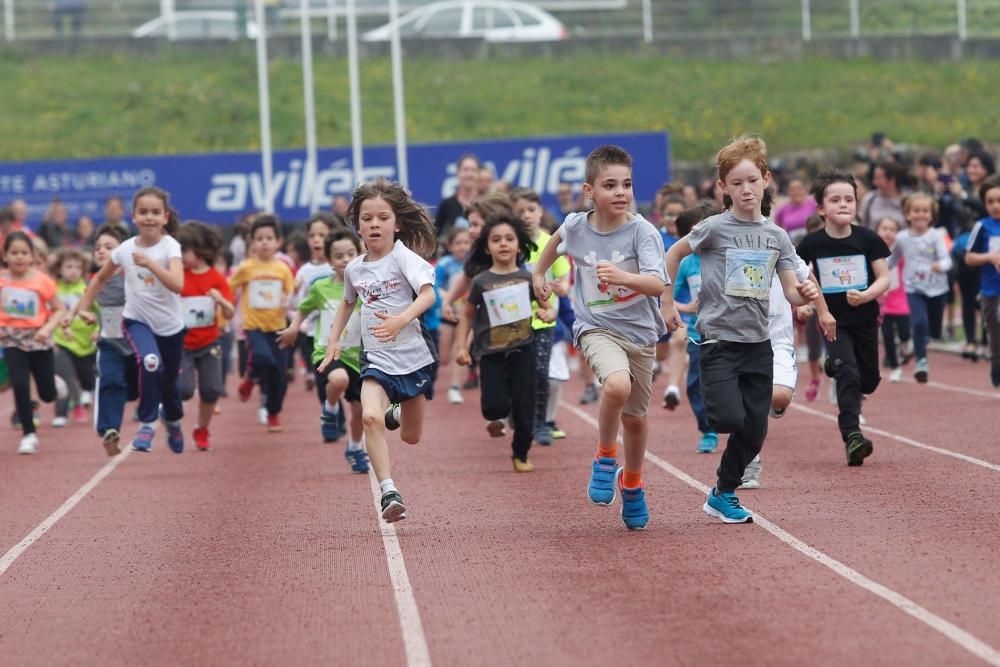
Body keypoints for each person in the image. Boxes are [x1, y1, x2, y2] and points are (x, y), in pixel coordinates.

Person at [663, 135, 817, 523]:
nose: (745, 189)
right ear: (723, 188)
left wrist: (807, 294)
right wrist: (665, 300)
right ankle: (718, 449)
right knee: (729, 420)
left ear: (765, 179)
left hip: (757, 344)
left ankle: (722, 493)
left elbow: (790, 293)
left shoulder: (776, 236)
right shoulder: (713, 228)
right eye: (736, 183)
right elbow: (674, 253)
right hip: (717, 341)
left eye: (752, 180)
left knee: (754, 431)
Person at [533, 145, 672, 531]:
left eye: (626, 184)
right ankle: (606, 457)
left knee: (637, 420)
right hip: (595, 327)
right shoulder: (577, 225)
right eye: (610, 185)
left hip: (641, 334)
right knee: (615, 385)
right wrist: (538, 274)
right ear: (590, 190)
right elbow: (554, 243)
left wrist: (624, 277)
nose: (620, 192)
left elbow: (657, 284)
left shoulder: (643, 232)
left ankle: (633, 484)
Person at [318, 179, 439, 523]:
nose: (374, 224)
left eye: (382, 218)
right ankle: (389, 491)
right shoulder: (355, 268)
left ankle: (396, 411)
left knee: (411, 438)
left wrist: (401, 319)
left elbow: (428, 295)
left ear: (396, 223)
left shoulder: (405, 258)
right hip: (376, 357)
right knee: (370, 416)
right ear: (357, 224)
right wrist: (335, 339)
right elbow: (345, 302)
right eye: (367, 218)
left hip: (413, 356)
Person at [75, 188, 186, 453]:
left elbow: (178, 285)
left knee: (169, 384)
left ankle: (172, 422)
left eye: (155, 212)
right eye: (143, 212)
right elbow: (100, 279)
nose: (149, 217)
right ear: (133, 217)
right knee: (150, 363)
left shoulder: (170, 246)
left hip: (170, 327)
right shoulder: (125, 249)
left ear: (165, 217)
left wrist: (150, 264)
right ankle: (147, 424)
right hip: (137, 321)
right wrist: (83, 307)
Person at [798, 169, 891, 466]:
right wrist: (805, 304)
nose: (843, 204)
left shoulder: (868, 239)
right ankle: (853, 436)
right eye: (835, 199)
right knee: (848, 373)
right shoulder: (811, 244)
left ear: (856, 205)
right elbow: (799, 277)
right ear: (821, 208)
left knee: (869, 381)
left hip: (864, 319)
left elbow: (884, 278)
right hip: (833, 322)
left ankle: (834, 365)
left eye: (848, 199)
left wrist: (866, 295)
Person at [456, 213, 554, 471]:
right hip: (491, 353)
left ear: (519, 245)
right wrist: (461, 347)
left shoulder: (527, 278)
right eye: (496, 239)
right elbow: (467, 315)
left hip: (524, 350)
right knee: (493, 406)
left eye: (509, 239)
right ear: (487, 247)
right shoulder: (481, 281)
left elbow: (549, 306)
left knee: (525, 409)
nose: (503, 244)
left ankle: (520, 453)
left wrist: (548, 312)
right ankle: (496, 417)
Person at [278, 228, 370, 475]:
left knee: (359, 410)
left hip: (358, 356)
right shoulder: (321, 287)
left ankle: (354, 448)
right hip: (327, 352)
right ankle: (330, 409)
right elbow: (303, 308)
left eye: (351, 254)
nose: (345, 260)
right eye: (339, 256)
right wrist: (294, 327)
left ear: (360, 255)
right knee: (338, 380)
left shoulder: (366, 288)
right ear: (329, 260)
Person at [63, 223, 136, 456]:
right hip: (110, 344)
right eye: (97, 248)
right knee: (110, 382)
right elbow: (84, 299)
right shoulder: (95, 280)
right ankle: (109, 430)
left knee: (133, 390)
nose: (101, 251)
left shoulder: (132, 277)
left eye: (108, 247)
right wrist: (73, 314)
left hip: (137, 346)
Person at [511, 187, 570, 445]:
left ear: (540, 212)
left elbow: (564, 279)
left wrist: (559, 286)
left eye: (531, 210)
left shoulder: (550, 242)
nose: (526, 216)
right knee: (519, 375)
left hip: (545, 319)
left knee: (544, 373)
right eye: (520, 211)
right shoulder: (509, 243)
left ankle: (543, 423)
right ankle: (519, 413)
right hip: (514, 321)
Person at [1, 231, 65, 454]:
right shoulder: (1, 280)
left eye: (24, 253)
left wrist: (47, 329)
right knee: (20, 383)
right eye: (14, 253)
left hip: (38, 338)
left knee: (47, 393)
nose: (19, 257)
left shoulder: (42, 281)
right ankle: (29, 434)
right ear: (5, 255)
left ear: (32, 256)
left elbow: (59, 309)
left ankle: (56, 385)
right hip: (11, 339)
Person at [229, 215, 295, 432]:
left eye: (269, 238)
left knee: (279, 374)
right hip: (254, 326)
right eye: (259, 238)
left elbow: (291, 293)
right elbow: (229, 286)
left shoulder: (282, 269)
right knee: (261, 357)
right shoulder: (246, 267)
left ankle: (274, 413)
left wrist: (288, 301)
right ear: (252, 243)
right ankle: (250, 378)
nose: (264, 242)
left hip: (277, 327)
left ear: (278, 242)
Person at [176, 221, 234, 451]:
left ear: (199, 250)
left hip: (209, 342)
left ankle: (202, 429)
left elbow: (229, 312)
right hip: (182, 345)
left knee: (211, 390)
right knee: (185, 390)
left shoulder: (216, 278)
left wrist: (220, 300)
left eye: (184, 250)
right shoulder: (177, 276)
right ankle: (169, 411)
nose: (180, 256)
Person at [671, 202, 720, 454]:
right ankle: (708, 429)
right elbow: (667, 296)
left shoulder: (725, 255)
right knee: (695, 385)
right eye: (693, 232)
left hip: (728, 332)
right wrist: (685, 307)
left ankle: (737, 422)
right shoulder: (686, 263)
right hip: (697, 334)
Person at [889, 193, 952, 383]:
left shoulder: (936, 236)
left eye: (925, 211)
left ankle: (921, 343)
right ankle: (921, 362)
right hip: (914, 288)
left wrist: (940, 266)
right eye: (916, 211)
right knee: (918, 323)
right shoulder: (901, 238)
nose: (920, 215)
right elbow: (892, 260)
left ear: (931, 215)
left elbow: (946, 259)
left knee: (933, 330)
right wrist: (875, 268)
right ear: (908, 214)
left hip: (937, 289)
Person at [51, 247, 98, 426]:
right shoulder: (54, 289)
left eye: (77, 267)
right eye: (68, 266)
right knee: (64, 377)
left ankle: (82, 396)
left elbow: (98, 312)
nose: (73, 270)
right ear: (59, 270)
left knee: (86, 380)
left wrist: (97, 330)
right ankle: (61, 413)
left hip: (85, 343)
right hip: (62, 340)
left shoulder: (87, 289)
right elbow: (50, 311)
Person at [292, 215, 337, 392]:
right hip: (314, 334)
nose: (317, 239)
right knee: (323, 383)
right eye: (312, 236)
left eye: (322, 235)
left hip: (343, 334)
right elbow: (297, 305)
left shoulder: (341, 266)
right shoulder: (305, 271)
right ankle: (332, 415)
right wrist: (295, 292)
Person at [965, 173, 1000, 388]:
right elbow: (969, 257)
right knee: (995, 335)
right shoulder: (982, 226)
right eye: (990, 201)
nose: (995, 205)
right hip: (990, 291)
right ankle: (996, 365)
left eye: (999, 200)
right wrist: (990, 257)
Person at [437, 227, 472, 404]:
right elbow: (434, 286)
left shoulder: (474, 263)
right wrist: (446, 299)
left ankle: (455, 387)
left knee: (461, 349)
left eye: (466, 242)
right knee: (443, 358)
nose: (462, 247)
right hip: (447, 314)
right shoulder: (445, 264)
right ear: (450, 246)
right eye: (458, 243)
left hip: (466, 315)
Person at [875, 217, 913, 383]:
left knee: (905, 333)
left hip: (902, 299)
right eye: (884, 228)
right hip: (883, 301)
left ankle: (905, 348)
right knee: (888, 336)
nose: (888, 233)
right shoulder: (872, 253)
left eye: (892, 229)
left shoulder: (902, 253)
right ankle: (895, 367)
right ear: (877, 231)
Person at [435, 154, 480, 237]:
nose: (469, 174)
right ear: (457, 173)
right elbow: (436, 236)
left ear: (479, 174)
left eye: (473, 170)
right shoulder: (447, 204)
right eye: (465, 170)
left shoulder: (486, 203)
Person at [860, 160, 907, 230]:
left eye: (878, 178)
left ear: (892, 181)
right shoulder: (869, 199)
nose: (874, 182)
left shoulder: (906, 201)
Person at [774, 176, 817, 242]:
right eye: (793, 189)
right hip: (792, 246)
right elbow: (776, 228)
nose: (796, 192)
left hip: (813, 241)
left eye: (799, 188)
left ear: (805, 190)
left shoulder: (813, 204)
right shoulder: (783, 209)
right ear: (788, 192)